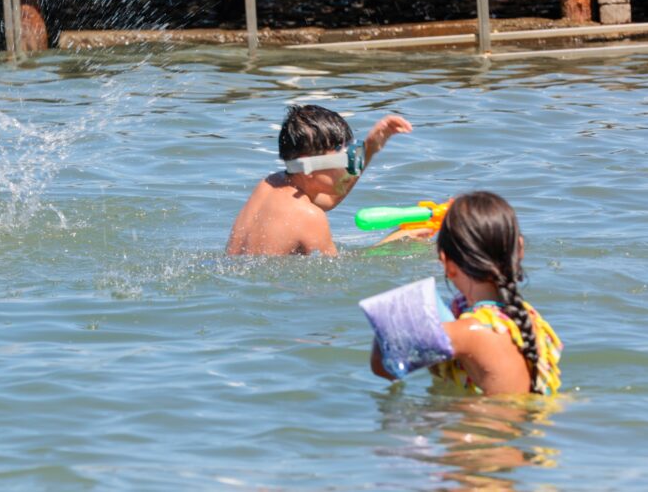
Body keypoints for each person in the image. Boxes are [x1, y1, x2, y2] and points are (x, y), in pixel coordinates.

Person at [370, 191, 563, 396]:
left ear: (447, 264)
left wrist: (405, 305)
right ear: (520, 250)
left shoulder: (466, 333)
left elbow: (384, 367)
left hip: (484, 424)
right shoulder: (528, 319)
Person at [226, 104, 413, 257]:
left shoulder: (271, 184)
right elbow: (338, 276)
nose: (349, 166)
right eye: (344, 159)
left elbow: (332, 197)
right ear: (308, 167)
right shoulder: (310, 217)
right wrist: (397, 242)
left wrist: (370, 147)